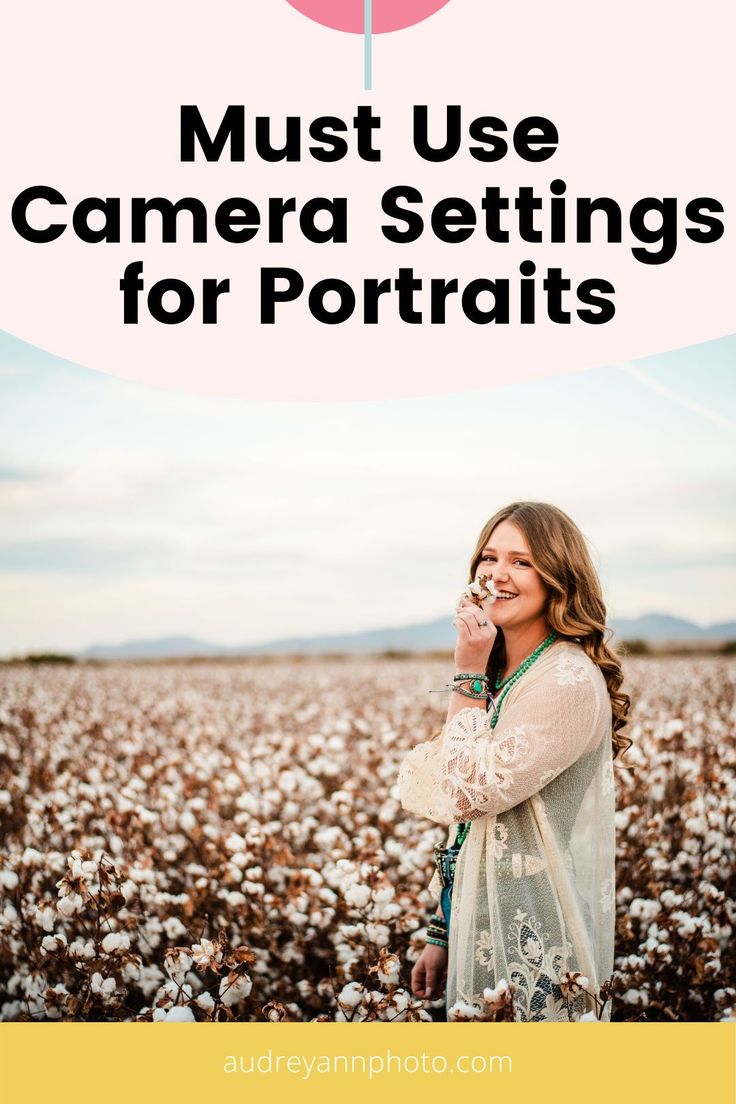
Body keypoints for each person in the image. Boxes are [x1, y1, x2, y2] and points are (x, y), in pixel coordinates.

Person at [398, 502, 630, 1021]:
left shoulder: (565, 679)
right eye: (488, 557)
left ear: (557, 578)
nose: (496, 574)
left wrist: (466, 673)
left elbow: (464, 792)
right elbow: (470, 828)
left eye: (521, 562)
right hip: (479, 925)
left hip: (535, 936)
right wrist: (443, 931)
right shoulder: (510, 672)